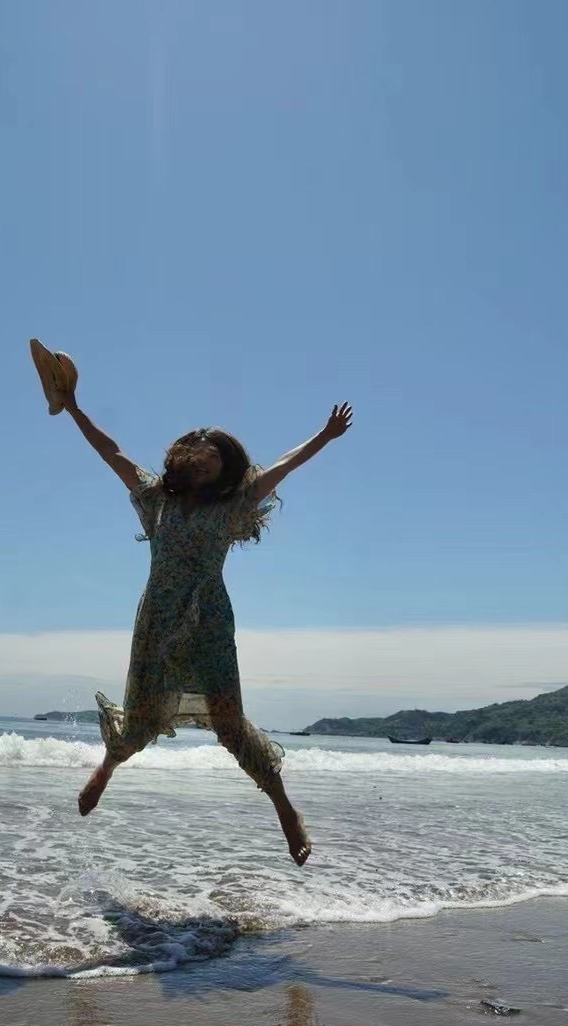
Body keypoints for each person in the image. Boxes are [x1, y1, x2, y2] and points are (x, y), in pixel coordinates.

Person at [38, 341, 353, 866]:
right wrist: (72, 407)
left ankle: (285, 810)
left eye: (215, 469)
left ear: (226, 475)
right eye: (198, 465)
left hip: (208, 620)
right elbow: (111, 452)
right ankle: (107, 767)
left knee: (230, 725)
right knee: (140, 722)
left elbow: (282, 468)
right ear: (181, 463)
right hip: (157, 622)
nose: (205, 475)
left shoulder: (234, 506)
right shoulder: (155, 500)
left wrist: (323, 436)